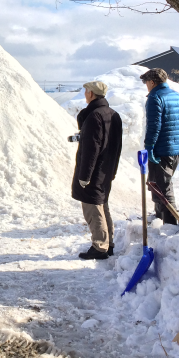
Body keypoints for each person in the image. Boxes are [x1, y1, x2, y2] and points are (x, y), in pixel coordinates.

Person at [72, 81, 123, 260]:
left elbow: (91, 149)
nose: (85, 93)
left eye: (86, 90)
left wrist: (85, 176)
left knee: (93, 207)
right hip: (106, 169)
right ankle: (108, 244)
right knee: (102, 205)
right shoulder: (113, 114)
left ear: (92, 94)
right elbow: (117, 146)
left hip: (93, 171)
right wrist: (113, 170)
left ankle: (100, 246)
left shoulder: (94, 116)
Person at [141, 68, 179, 225]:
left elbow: (154, 126)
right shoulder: (178, 96)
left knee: (163, 191)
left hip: (161, 151)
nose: (146, 85)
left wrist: (149, 146)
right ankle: (160, 218)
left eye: (146, 82)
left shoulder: (155, 97)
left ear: (152, 82)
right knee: (158, 186)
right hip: (174, 150)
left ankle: (170, 225)